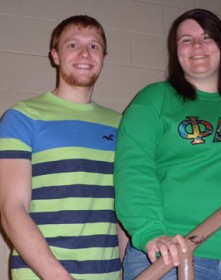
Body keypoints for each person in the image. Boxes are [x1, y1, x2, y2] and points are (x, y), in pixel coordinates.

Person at [114, 8, 221, 280]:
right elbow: (134, 169)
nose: (197, 46)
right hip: (171, 251)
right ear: (175, 51)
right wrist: (150, 233)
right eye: (186, 39)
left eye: (207, 37)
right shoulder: (154, 99)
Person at [0, 15, 126, 280]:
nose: (84, 53)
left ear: (103, 56)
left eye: (94, 45)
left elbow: (121, 211)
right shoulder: (23, 117)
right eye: (72, 45)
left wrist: (126, 268)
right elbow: (11, 209)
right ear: (55, 55)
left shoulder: (121, 125)